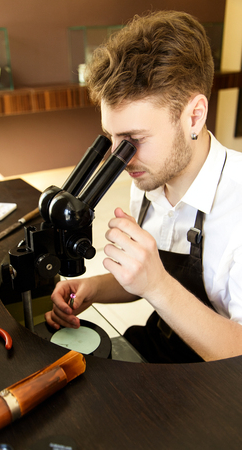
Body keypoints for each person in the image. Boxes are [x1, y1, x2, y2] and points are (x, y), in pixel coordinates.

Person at [45, 10, 242, 363]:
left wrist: (157, 286)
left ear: (194, 116)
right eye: (112, 137)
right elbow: (148, 278)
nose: (121, 158)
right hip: (158, 348)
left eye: (133, 139)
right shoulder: (149, 176)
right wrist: (94, 287)